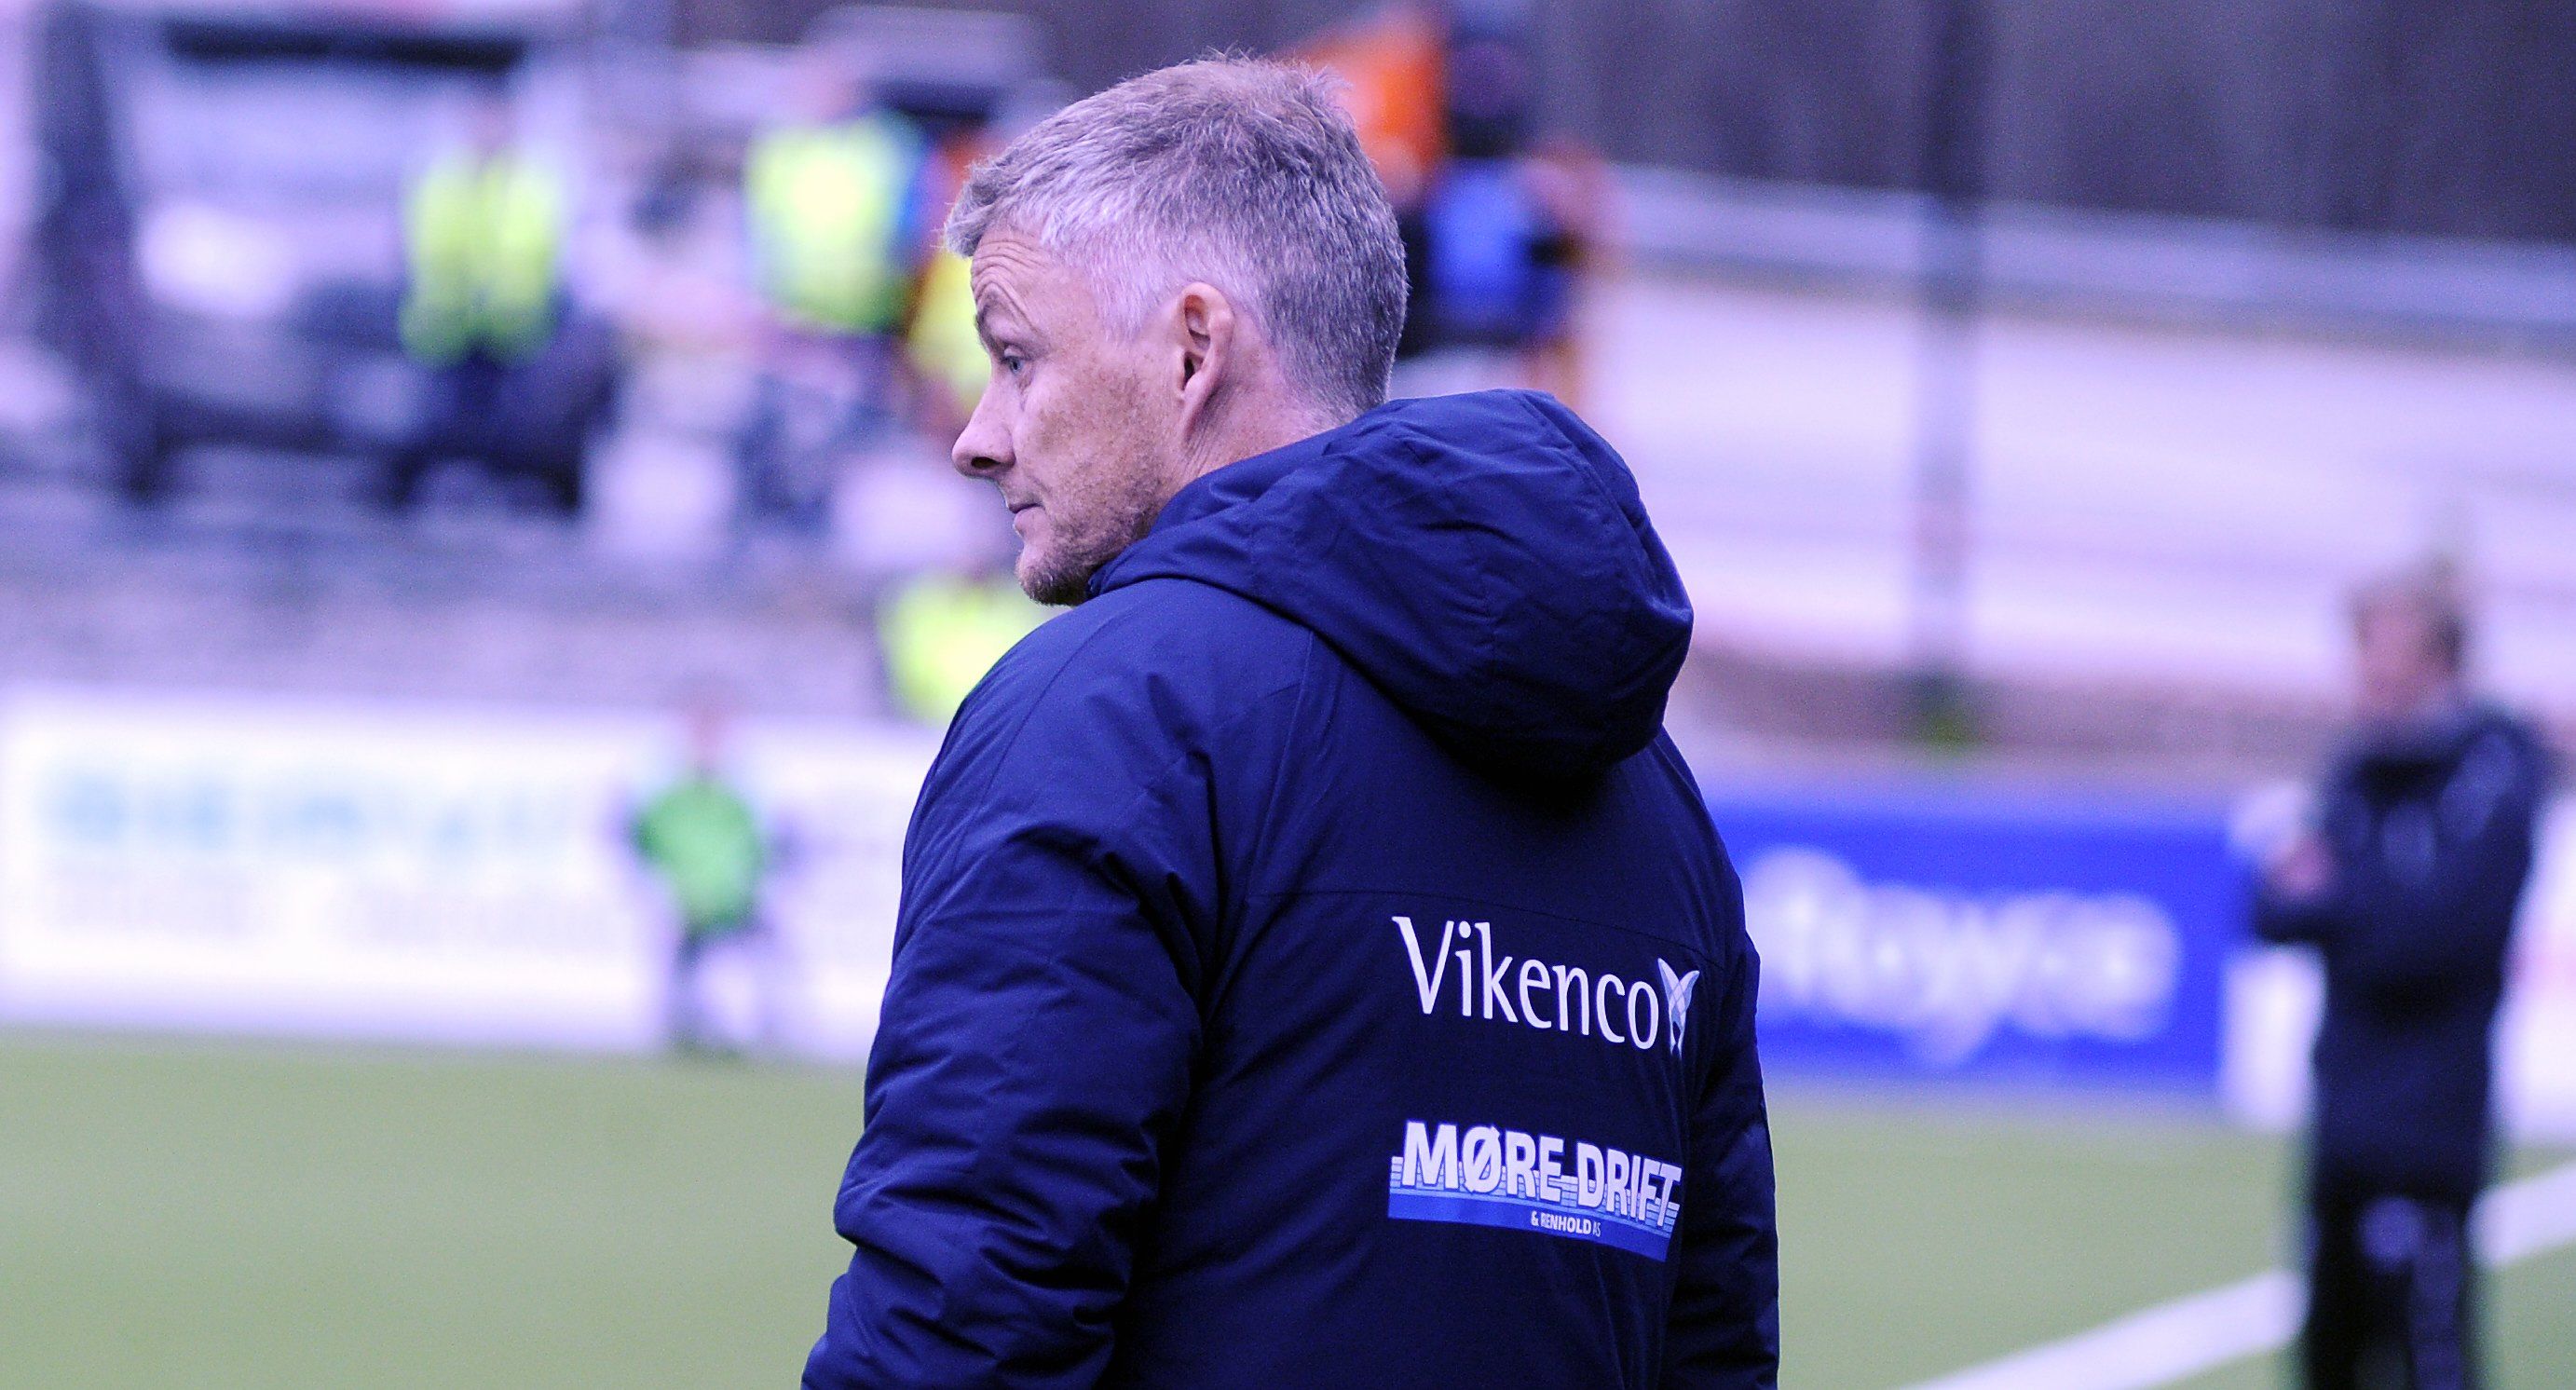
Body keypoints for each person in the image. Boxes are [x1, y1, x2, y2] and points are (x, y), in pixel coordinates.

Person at [806, 59, 1777, 1389]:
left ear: (1192, 350)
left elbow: (963, 1325)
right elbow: (1713, 1348)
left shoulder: (1108, 715)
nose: (978, 435)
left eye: (1017, 358)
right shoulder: (1653, 796)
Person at [2254, 564, 2553, 1390]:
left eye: (2387, 656)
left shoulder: (2492, 771)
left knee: (2430, 1352)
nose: (2368, 677)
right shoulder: (2356, 767)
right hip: (2342, 1111)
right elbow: (2268, 906)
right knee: (2327, 1355)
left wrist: (2337, 900)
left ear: (2440, 662)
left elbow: (2431, 937)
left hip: (2430, 1121)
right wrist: (2359, 905)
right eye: (2361, 654)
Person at [631, 697, 776, 1055]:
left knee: (763, 957)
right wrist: (674, 893)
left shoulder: (740, 796)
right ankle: (685, 1029)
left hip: (733, 903)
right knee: (684, 966)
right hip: (688, 906)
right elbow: (646, 847)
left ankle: (763, 1030)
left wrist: (743, 892)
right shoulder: (668, 797)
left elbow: (759, 850)